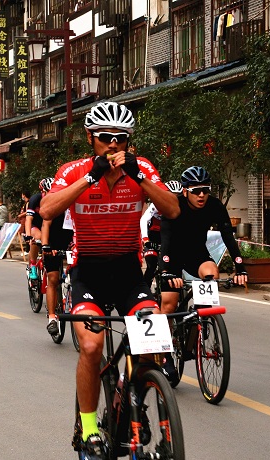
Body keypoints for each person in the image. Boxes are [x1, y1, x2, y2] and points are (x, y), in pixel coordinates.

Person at [40, 101, 179, 459]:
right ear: (91, 138)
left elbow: (172, 209)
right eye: (105, 137)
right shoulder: (73, 170)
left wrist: (140, 178)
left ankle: (133, 398)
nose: (114, 144)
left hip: (129, 274)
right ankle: (88, 427)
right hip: (88, 273)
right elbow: (48, 209)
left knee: (153, 346)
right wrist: (91, 177)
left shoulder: (142, 167)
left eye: (122, 138)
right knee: (91, 346)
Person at [158, 166, 248, 386]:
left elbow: (228, 237)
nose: (201, 195)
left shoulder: (215, 205)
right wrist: (166, 271)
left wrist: (240, 268)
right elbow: (166, 240)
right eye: (196, 191)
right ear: (185, 191)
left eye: (205, 190)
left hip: (196, 253)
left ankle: (202, 319)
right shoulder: (174, 205)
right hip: (172, 255)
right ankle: (165, 354)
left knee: (211, 273)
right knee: (169, 304)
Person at [40, 178, 74, 337]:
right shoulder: (55, 204)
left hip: (72, 244)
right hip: (53, 244)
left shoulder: (76, 204)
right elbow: (45, 225)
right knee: (53, 278)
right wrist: (46, 246)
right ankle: (52, 318)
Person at [140, 180, 183, 288]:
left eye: (178, 196)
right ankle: (145, 290)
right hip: (153, 237)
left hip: (168, 237)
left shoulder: (181, 206)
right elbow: (144, 220)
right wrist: (145, 239)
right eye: (172, 195)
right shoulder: (156, 204)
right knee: (152, 265)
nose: (174, 199)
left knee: (174, 264)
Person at [25, 180, 50, 280]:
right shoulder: (35, 199)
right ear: (43, 192)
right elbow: (28, 219)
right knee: (38, 238)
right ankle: (33, 265)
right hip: (35, 225)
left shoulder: (56, 199)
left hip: (48, 225)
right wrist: (28, 235)